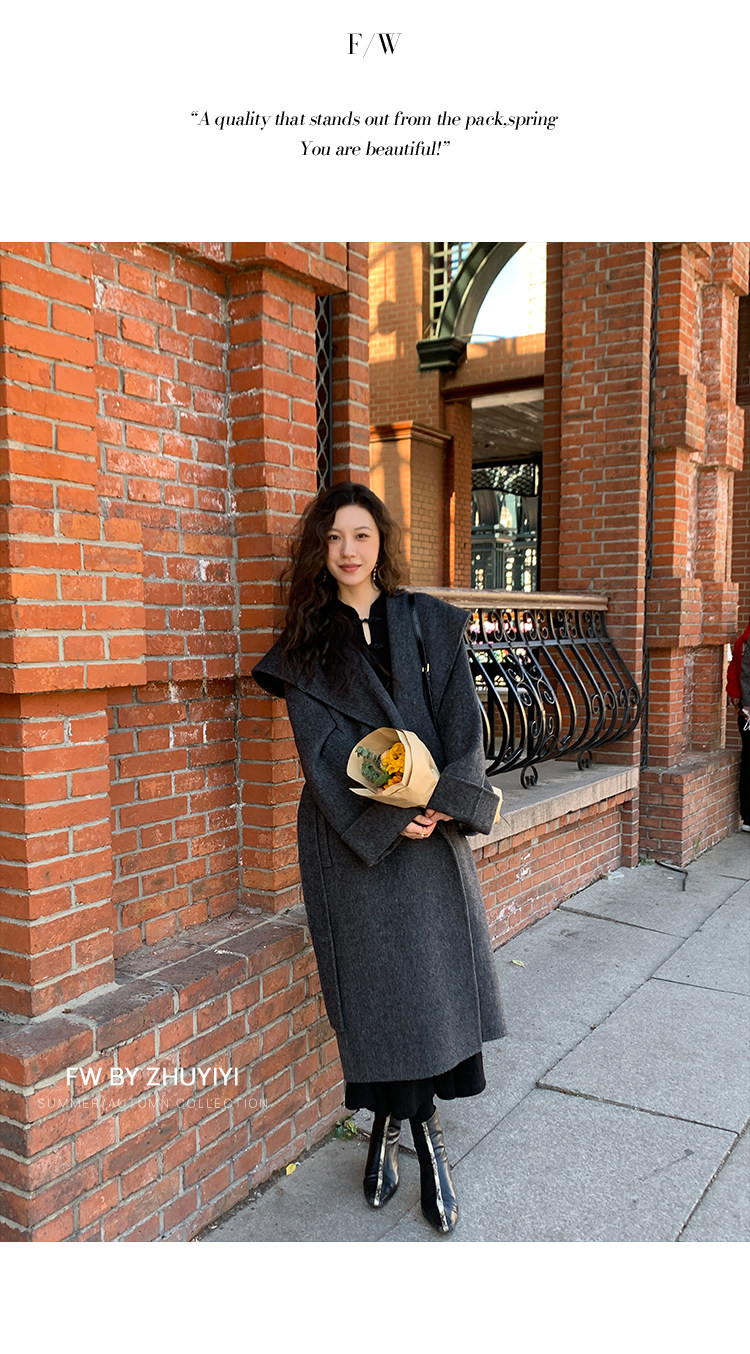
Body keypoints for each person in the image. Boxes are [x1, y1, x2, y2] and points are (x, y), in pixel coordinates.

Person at [252, 480, 507, 1234]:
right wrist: (395, 816)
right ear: (319, 550)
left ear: (381, 542)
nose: (348, 550)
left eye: (360, 535)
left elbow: (464, 723)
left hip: (433, 834)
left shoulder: (428, 621)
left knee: (428, 989)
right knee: (377, 994)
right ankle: (401, 1130)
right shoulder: (307, 646)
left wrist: (443, 801)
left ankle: (416, 1133)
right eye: (333, 537)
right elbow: (322, 753)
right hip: (353, 839)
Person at [730, 617, 750, 830]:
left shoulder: (741, 641)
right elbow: (744, 672)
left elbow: (733, 670)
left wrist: (736, 695)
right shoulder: (746, 641)